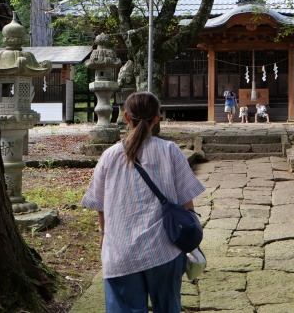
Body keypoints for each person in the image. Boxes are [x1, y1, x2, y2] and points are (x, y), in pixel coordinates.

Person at [82, 91, 204, 313]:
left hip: (120, 251)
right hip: (164, 249)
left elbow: (98, 204)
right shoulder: (170, 151)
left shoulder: (109, 156)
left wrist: (103, 234)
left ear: (126, 116)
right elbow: (187, 201)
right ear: (157, 118)